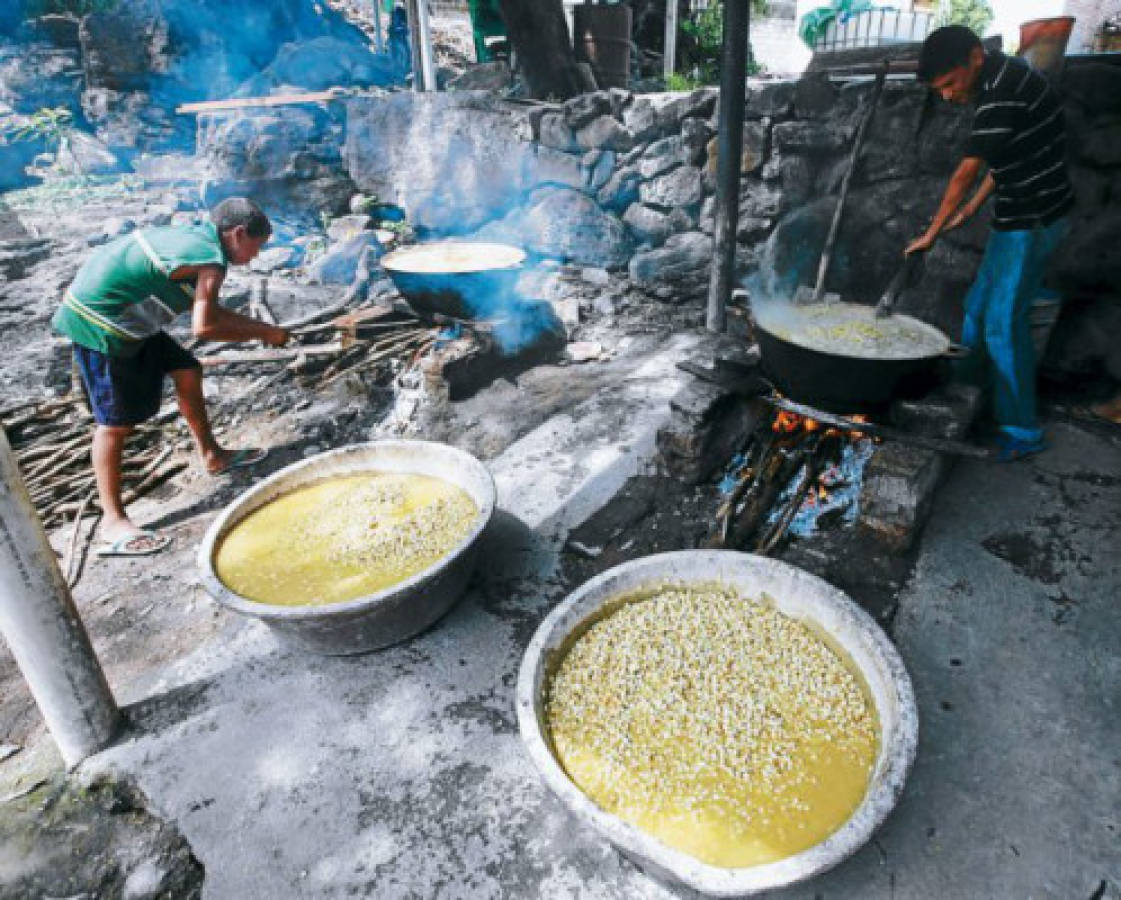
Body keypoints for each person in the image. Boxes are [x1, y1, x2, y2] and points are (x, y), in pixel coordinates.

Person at [53, 197, 289, 556]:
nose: (256, 257)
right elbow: (205, 326)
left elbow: (207, 309)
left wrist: (263, 328)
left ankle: (213, 455)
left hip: (129, 316)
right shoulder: (211, 259)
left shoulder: (198, 238)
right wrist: (265, 331)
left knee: (187, 369)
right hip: (102, 324)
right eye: (257, 247)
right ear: (239, 234)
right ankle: (112, 520)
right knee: (114, 425)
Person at [906, 25, 1074, 462]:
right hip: (1016, 214)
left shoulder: (1003, 90)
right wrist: (973, 209)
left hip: (1034, 218)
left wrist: (931, 233)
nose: (945, 95)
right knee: (978, 307)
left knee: (1003, 321)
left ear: (975, 57)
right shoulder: (1000, 77)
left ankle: (1021, 428)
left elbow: (965, 172)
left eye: (948, 83)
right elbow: (1006, 157)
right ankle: (970, 393)